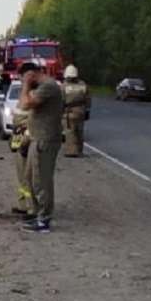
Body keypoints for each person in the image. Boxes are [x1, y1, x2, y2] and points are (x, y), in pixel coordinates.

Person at [19, 61, 63, 233]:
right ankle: (37, 213)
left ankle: (44, 219)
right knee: (30, 177)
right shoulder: (42, 87)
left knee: (41, 180)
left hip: (45, 139)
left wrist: (25, 85)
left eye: (24, 77)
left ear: (31, 74)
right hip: (36, 138)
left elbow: (25, 104)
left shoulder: (48, 86)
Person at [61, 64, 90, 157]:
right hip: (81, 111)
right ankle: (79, 150)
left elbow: (61, 100)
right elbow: (88, 99)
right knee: (79, 132)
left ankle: (71, 151)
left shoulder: (64, 86)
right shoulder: (83, 85)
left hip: (68, 112)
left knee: (70, 132)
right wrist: (87, 111)